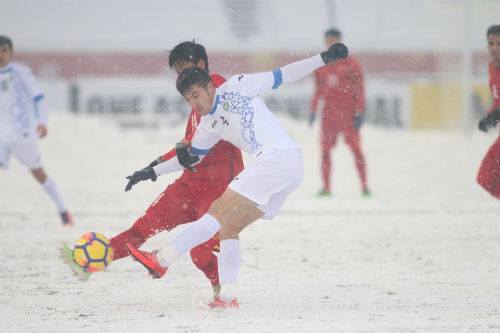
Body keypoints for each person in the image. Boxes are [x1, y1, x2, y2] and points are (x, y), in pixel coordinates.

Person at [124, 42, 349, 308]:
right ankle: (227, 297)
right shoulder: (208, 125)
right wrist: (152, 171)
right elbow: (192, 157)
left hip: (278, 157)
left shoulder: (238, 86)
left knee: (218, 210)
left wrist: (322, 59)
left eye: (196, 95)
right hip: (285, 168)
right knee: (230, 226)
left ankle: (161, 260)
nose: (194, 104)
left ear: (210, 87)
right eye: (188, 100)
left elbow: (284, 75)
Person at [60, 41, 244, 298]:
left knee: (200, 254)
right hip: (190, 185)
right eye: (177, 71)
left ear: (201, 65)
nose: (180, 76)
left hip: (221, 190)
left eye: (183, 68)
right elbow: (189, 147)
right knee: (142, 229)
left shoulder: (216, 87)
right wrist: (153, 166)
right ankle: (86, 263)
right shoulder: (196, 100)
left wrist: (161, 166)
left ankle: (223, 292)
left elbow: (197, 148)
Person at [0, 36, 73, 226]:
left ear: (10, 52)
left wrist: (43, 122)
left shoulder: (20, 73)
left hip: (21, 133)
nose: (1, 54)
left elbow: (38, 98)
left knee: (38, 173)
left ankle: (63, 210)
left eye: (4, 50)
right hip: (1, 134)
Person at [309, 28, 370, 197]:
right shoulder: (321, 65)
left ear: (340, 40)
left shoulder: (351, 64)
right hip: (329, 115)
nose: (330, 43)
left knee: (356, 149)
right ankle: (326, 187)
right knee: (325, 150)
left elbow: (360, 89)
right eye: (328, 40)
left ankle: (364, 186)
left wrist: (360, 111)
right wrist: (313, 110)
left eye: (333, 40)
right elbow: (318, 90)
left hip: (348, 114)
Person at [477, 25, 500, 200]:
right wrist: (489, 116)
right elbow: (497, 99)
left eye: (499, 43)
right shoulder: (492, 68)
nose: (494, 48)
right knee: (485, 178)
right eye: (490, 43)